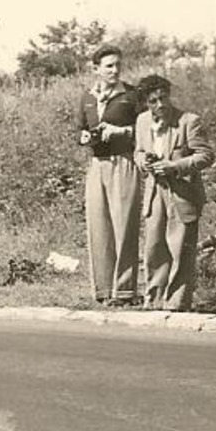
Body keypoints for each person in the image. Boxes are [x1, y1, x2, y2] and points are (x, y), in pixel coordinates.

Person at [133, 75, 215, 311]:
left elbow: (205, 155)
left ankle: (177, 304)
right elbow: (138, 151)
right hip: (154, 191)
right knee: (154, 247)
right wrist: (143, 162)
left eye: (163, 97)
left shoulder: (189, 121)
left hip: (183, 193)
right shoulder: (141, 122)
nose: (160, 105)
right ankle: (155, 300)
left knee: (181, 249)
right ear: (146, 104)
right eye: (153, 101)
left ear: (169, 95)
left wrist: (175, 166)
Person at [77, 44, 145, 305]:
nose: (115, 70)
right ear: (96, 69)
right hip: (97, 164)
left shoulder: (131, 95)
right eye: (109, 66)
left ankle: (125, 291)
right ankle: (104, 291)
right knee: (99, 226)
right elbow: (80, 128)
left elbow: (145, 129)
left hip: (123, 163)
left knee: (124, 226)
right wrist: (83, 137)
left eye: (118, 65)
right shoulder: (87, 97)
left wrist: (121, 132)